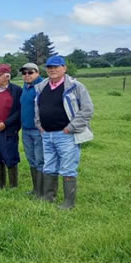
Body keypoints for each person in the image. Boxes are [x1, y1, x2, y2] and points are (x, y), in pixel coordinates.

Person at [35, 55, 94, 209]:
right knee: (49, 166)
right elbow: (38, 108)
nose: (52, 70)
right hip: (47, 134)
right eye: (49, 67)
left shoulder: (75, 86)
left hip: (66, 135)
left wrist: (71, 128)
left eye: (56, 67)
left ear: (64, 68)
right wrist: (39, 124)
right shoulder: (42, 86)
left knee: (68, 167)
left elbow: (87, 110)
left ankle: (68, 203)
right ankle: (48, 198)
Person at [19, 63, 44, 197]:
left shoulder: (42, 86)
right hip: (26, 129)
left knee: (40, 160)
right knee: (31, 159)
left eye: (30, 72)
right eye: (24, 73)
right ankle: (35, 189)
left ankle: (42, 191)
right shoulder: (26, 87)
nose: (27, 75)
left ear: (37, 73)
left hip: (38, 130)